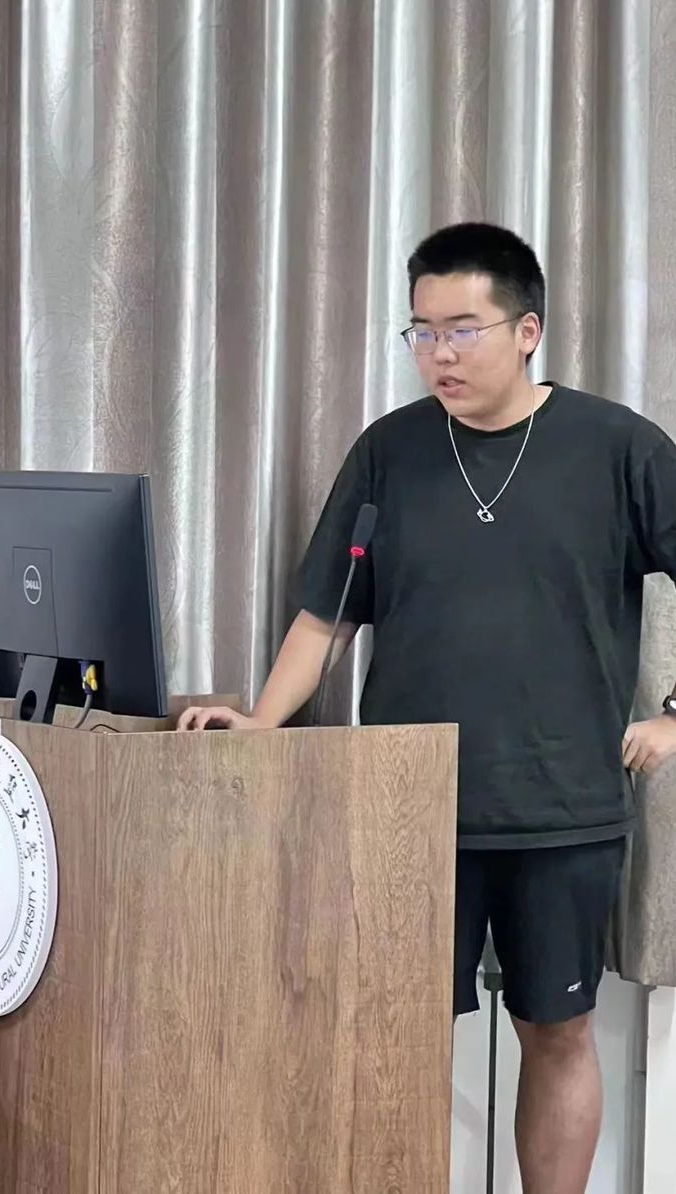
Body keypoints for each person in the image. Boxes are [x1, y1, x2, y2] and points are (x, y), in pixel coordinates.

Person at [178, 222, 676, 1193]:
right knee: (391, 1034)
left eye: (461, 330)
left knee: (557, 1031)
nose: (439, 354)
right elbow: (326, 614)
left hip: (560, 805)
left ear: (527, 331)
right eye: (421, 332)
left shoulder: (618, 447)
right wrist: (263, 721)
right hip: (406, 804)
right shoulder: (389, 453)